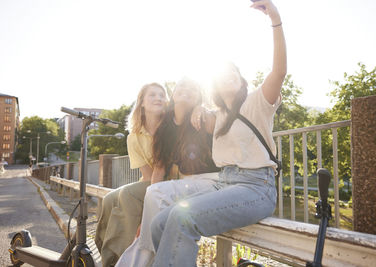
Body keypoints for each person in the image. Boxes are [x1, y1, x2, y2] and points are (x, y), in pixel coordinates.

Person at [149, 1, 287, 266]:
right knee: (159, 224)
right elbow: (194, 114)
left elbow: (279, 71)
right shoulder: (217, 116)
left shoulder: (258, 101)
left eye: (233, 71)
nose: (228, 75)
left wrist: (275, 18)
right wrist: (199, 107)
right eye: (222, 73)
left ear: (241, 79)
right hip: (224, 183)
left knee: (181, 218)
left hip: (257, 187)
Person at [115, 77, 220, 267]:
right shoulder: (166, 129)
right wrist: (146, 219)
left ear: (199, 97)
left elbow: (218, 118)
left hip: (211, 182)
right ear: (173, 95)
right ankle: (142, 255)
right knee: (150, 197)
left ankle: (145, 256)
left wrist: (201, 109)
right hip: (183, 187)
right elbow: (158, 169)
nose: (186, 88)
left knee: (156, 224)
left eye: (193, 87)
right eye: (181, 85)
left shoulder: (203, 116)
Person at [94, 82, 176, 267]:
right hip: (152, 181)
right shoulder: (134, 136)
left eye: (162, 95)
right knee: (108, 199)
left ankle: (126, 258)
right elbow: (147, 175)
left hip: (172, 181)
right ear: (142, 104)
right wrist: (146, 197)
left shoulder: (170, 127)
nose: (158, 98)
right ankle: (106, 256)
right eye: (152, 95)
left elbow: (161, 171)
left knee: (127, 195)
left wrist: (147, 213)